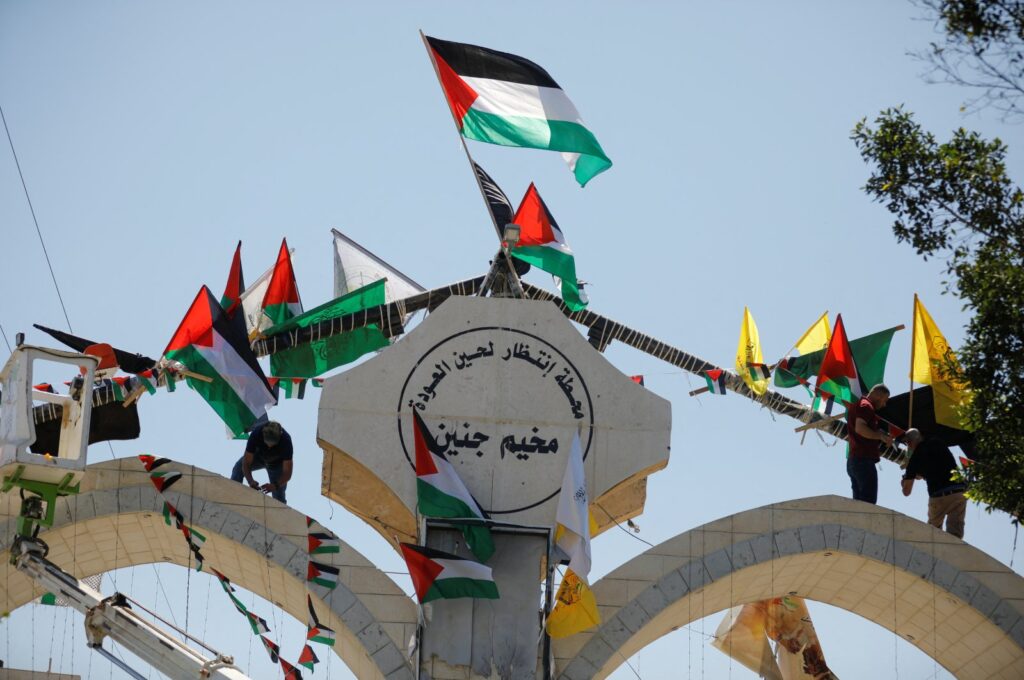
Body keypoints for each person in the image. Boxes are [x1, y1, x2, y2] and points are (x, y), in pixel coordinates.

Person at [901, 428, 967, 539]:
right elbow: (934, 466)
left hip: (939, 495)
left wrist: (904, 482)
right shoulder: (937, 442)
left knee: (933, 533)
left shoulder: (915, 458)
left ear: (909, 443)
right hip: (958, 491)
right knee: (955, 532)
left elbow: (906, 492)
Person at [845, 384, 894, 504]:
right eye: (884, 400)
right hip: (863, 461)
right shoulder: (866, 406)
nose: (884, 404)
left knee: (858, 505)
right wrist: (880, 436)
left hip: (854, 460)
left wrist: (878, 433)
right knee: (868, 504)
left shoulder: (859, 405)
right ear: (878, 395)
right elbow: (860, 428)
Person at [230, 421, 293, 503]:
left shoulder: (286, 441)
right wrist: (250, 481)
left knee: (279, 497)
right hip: (258, 457)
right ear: (263, 434)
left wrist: (275, 485)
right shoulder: (256, 434)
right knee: (238, 468)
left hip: (277, 466)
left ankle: (279, 512)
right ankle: (233, 495)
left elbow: (287, 473)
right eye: (267, 443)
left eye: (273, 444)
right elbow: (246, 462)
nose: (269, 447)